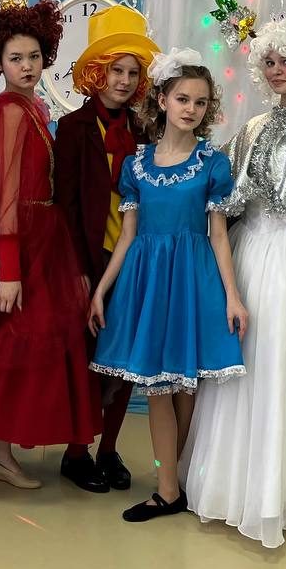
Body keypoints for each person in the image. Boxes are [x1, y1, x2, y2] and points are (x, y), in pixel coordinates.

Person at [182, 9, 286, 547]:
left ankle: (278, 493)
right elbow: (224, 205)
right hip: (248, 252)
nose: (278, 70)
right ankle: (234, 487)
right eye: (271, 62)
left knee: (283, 366)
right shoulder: (251, 128)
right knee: (241, 367)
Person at [0, 0, 101, 488]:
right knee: (17, 347)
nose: (27, 66)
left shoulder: (30, 107)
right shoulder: (10, 111)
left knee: (17, 348)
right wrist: (10, 269)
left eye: (34, 56)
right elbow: (4, 191)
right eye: (16, 58)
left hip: (43, 239)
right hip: (23, 244)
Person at [90, 48, 247, 523]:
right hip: (148, 281)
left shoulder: (212, 164)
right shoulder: (136, 165)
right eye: (182, 99)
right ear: (161, 100)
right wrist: (102, 288)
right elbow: (128, 236)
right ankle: (167, 487)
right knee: (157, 386)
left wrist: (232, 295)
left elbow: (218, 235)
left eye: (201, 102)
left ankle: (173, 481)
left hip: (193, 281)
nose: (191, 109)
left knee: (186, 385)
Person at [54, 5, 160, 493]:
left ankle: (109, 448)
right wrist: (78, 268)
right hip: (93, 258)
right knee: (89, 359)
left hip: (135, 258)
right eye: (116, 70)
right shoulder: (74, 128)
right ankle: (76, 453)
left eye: (132, 73)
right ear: (98, 73)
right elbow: (66, 205)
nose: (123, 81)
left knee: (125, 358)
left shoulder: (145, 131)